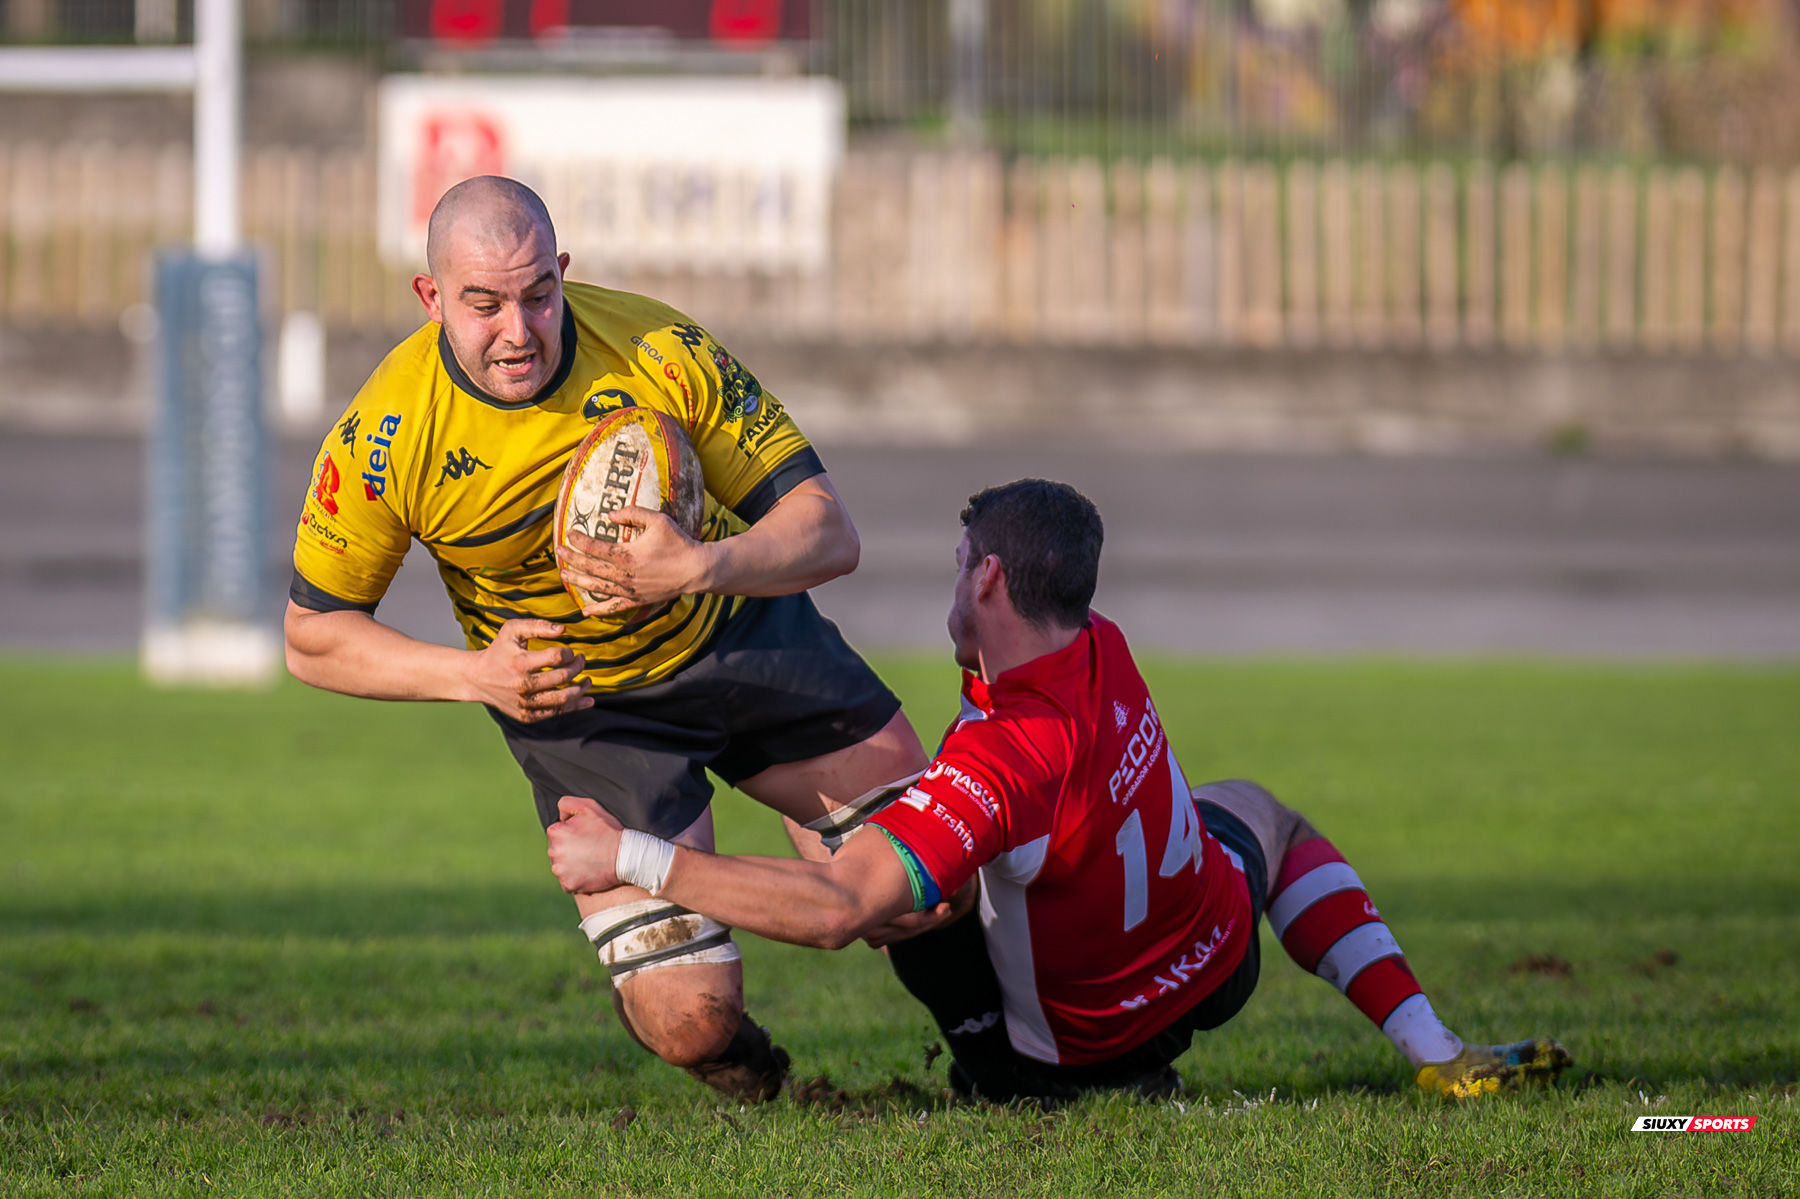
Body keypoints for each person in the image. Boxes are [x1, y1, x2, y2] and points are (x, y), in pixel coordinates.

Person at [546, 479, 1572, 1101]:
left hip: (1071, 1051)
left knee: (901, 892)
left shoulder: (998, 763)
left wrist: (630, 856)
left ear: (988, 580)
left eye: (958, 567)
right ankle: (1433, 1047)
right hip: (1219, 964)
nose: (951, 584)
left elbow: (838, 909)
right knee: (1259, 808)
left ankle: (1007, 1073)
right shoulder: (1101, 645)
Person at [284, 176, 929, 1101]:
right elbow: (313, 635)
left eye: (538, 293)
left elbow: (829, 529)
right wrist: (477, 675)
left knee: (926, 889)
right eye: (484, 303)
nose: (519, 328)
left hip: (740, 637)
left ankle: (1011, 1071)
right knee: (689, 1016)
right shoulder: (388, 431)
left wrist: (703, 566)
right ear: (432, 301)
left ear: (564, 274)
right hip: (583, 710)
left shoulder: (659, 347)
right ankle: (753, 1073)